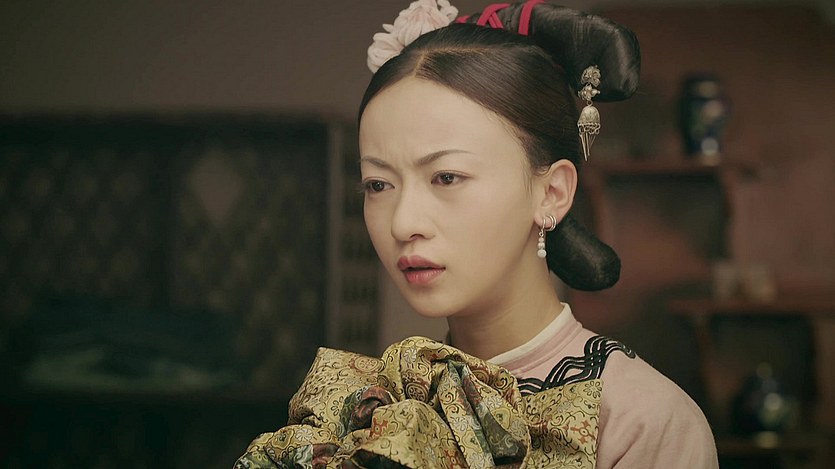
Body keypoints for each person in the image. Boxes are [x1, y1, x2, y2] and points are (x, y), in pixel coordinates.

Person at [236, 1, 718, 467]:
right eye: (378, 184)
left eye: (446, 177)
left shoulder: (642, 423)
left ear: (552, 193)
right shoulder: (370, 407)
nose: (403, 223)